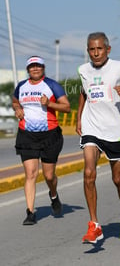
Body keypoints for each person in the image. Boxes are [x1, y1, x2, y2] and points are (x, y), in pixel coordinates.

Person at [76, 32, 120, 244]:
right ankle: (94, 225)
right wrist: (79, 118)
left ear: (108, 49)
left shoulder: (119, 68)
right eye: (91, 49)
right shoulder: (83, 70)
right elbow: (84, 92)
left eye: (99, 49)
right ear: (88, 50)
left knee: (118, 179)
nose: (95, 53)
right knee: (89, 172)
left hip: (115, 130)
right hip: (92, 127)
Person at [12, 56, 70, 225]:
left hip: (49, 135)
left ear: (43, 68)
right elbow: (15, 101)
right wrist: (17, 109)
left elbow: (66, 107)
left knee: (49, 175)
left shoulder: (52, 85)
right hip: (27, 135)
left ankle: (54, 195)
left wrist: (49, 104)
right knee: (30, 174)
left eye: (38, 66)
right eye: (32, 66)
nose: (35, 69)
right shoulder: (22, 86)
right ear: (28, 69)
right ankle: (30, 212)